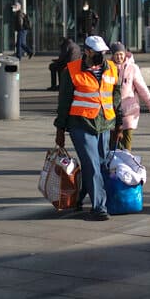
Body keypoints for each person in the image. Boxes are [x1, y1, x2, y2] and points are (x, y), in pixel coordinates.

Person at [54, 35, 121, 221]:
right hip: (81, 124)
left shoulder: (112, 69)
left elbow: (116, 97)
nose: (103, 56)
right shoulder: (72, 70)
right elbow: (64, 102)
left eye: (104, 52)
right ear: (88, 51)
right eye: (99, 53)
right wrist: (60, 130)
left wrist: (119, 123)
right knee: (92, 164)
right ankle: (99, 207)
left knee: (99, 165)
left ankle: (79, 196)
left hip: (105, 123)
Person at [110, 42, 150, 151]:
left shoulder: (132, 68)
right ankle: (113, 165)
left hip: (129, 110)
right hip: (112, 110)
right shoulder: (108, 67)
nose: (119, 57)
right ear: (112, 55)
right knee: (113, 143)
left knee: (127, 142)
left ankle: (127, 164)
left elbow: (142, 87)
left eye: (121, 54)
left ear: (125, 54)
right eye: (116, 54)